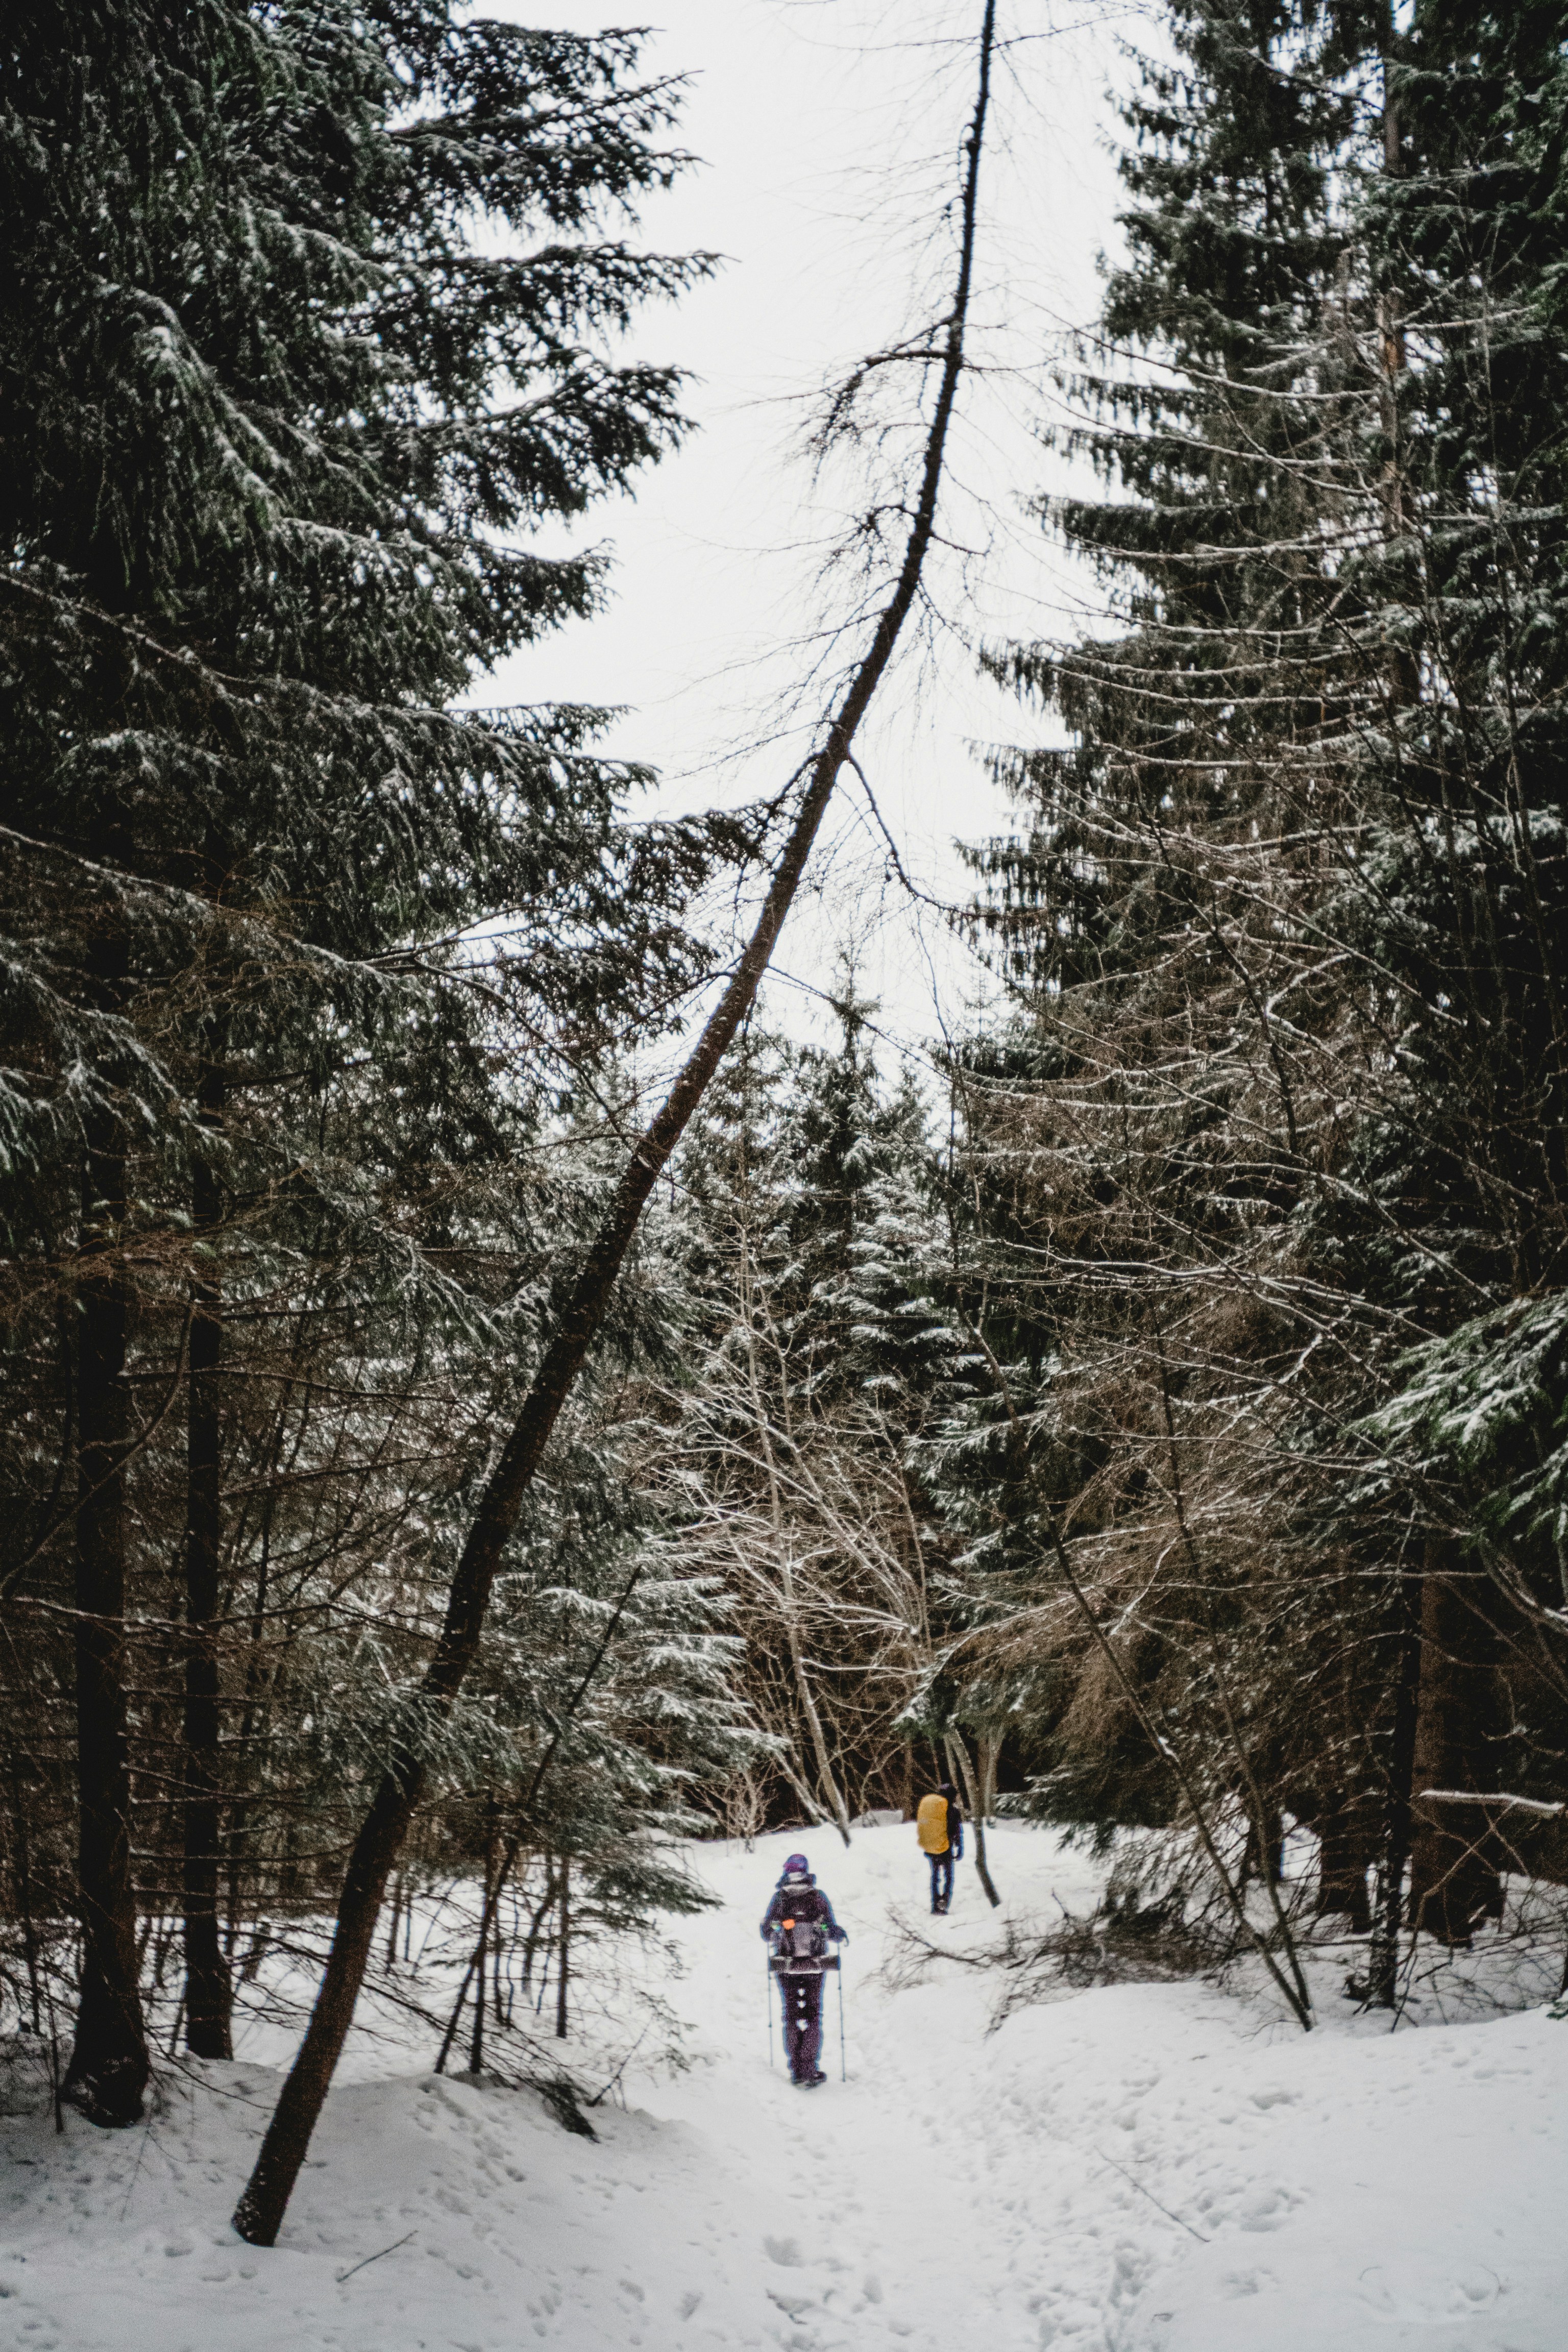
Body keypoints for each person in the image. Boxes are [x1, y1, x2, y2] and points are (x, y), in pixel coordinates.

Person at [760, 1852, 847, 2087]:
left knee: (790, 2014)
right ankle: (809, 2068)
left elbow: (767, 1933)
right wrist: (831, 1930)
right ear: (806, 1871)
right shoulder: (818, 1897)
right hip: (815, 1965)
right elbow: (829, 1928)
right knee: (812, 2016)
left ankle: (796, 2069)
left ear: (787, 1872)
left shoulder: (780, 1898)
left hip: (786, 1965)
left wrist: (787, 1924)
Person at [916, 1780, 963, 1914]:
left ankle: (935, 1905)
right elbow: (957, 1831)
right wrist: (959, 1848)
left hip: (931, 1849)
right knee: (949, 1876)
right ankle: (944, 1902)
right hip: (945, 1848)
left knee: (935, 1876)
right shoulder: (953, 1810)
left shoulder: (932, 1808)